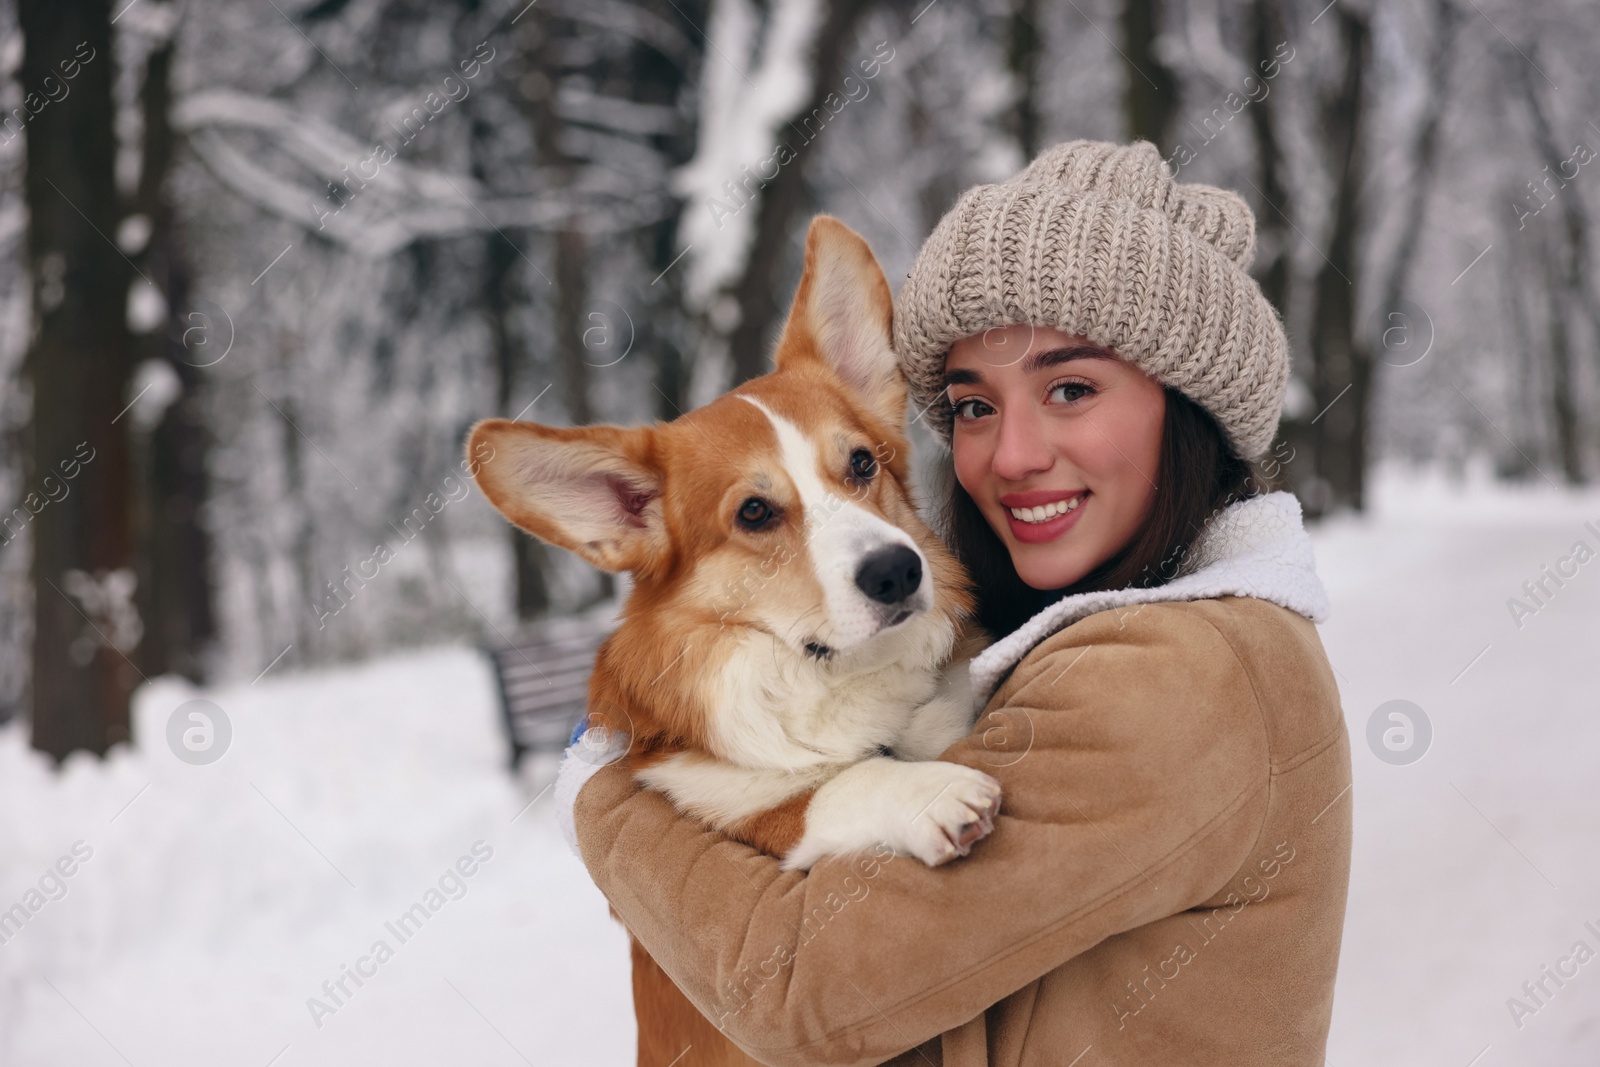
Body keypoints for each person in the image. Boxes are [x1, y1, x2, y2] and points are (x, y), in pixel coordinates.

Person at [556, 139, 1351, 1066]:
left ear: (1188, 404)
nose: (1011, 455)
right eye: (974, 407)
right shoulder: (1057, 639)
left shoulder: (1183, 673)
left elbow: (808, 991)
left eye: (1071, 388)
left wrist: (609, 806)